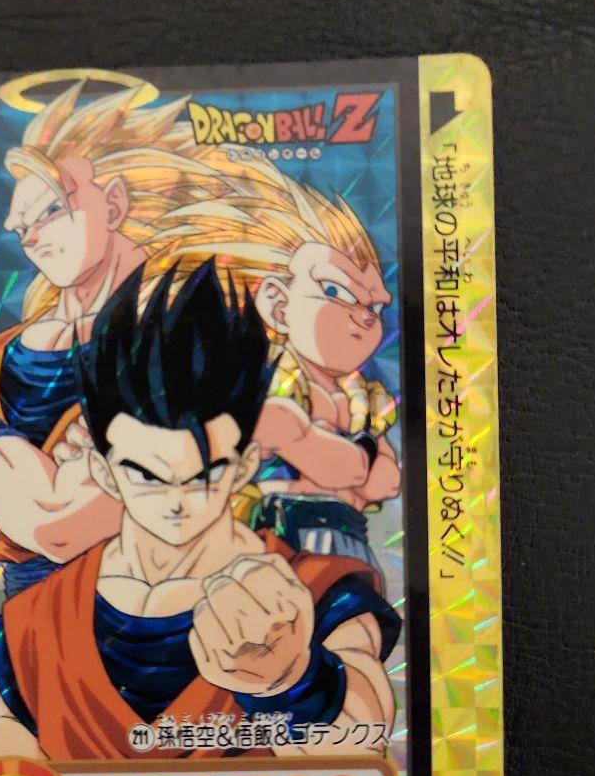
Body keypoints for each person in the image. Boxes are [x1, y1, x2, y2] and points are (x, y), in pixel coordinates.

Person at [0, 259, 399, 773]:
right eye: (146, 475)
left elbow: (364, 745)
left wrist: (295, 679)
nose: (176, 501)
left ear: (245, 465)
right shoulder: (37, 622)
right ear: (103, 471)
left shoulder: (316, 592)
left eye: (204, 475)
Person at [0, 81, 236, 594]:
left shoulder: (178, 337)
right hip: (28, 618)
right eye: (22, 227)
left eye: (51, 211)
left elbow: (60, 526)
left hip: (158, 611)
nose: (33, 237)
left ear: (114, 204)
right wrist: (31, 477)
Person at [139, 159, 402, 574]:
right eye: (336, 292)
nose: (364, 317)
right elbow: (342, 467)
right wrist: (352, 456)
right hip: (273, 537)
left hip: (348, 537)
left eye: (373, 306)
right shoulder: (260, 388)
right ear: (278, 305)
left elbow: (384, 480)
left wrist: (336, 451)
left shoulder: (364, 398)